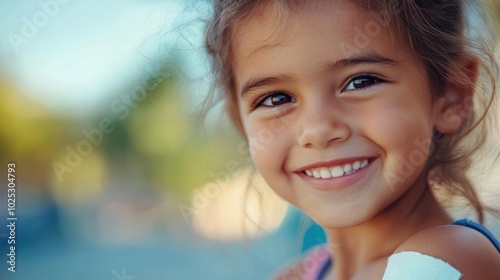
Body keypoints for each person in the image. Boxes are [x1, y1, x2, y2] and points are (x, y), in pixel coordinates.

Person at [202, 0, 500, 279]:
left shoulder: (450, 257)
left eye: (361, 81)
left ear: (450, 94)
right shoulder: (298, 273)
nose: (317, 130)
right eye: (276, 99)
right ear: (242, 125)